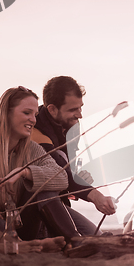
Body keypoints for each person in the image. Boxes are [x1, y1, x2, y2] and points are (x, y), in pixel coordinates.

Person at [0, 86, 77, 248]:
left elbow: (62, 178)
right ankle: (36, 246)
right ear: (6, 114)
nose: (33, 120)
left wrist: (25, 172)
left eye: (35, 115)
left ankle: (76, 242)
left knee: (44, 189)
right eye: (27, 113)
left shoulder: (33, 150)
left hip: (23, 225)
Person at [30, 76, 116, 235]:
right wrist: (95, 196)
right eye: (72, 110)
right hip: (36, 209)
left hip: (63, 204)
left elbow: (69, 169)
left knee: (97, 237)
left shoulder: (72, 126)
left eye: (80, 107)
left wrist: (78, 179)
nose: (80, 115)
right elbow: (59, 171)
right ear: (52, 109)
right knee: (88, 239)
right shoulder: (36, 133)